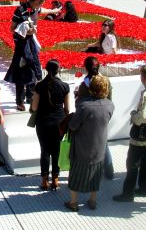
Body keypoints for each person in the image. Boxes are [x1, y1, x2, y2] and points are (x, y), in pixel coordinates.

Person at [113, 65, 146, 202]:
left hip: (142, 134)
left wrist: (133, 115)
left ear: (144, 77)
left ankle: (128, 193)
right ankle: (145, 188)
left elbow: (144, 116)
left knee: (132, 163)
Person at [64, 75, 114, 211]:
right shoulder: (110, 105)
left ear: (91, 89)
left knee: (76, 173)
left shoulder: (84, 106)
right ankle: (92, 200)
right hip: (99, 145)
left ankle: (73, 202)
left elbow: (73, 126)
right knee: (95, 173)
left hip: (82, 146)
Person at [4, 0, 59, 111]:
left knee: (33, 68)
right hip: (22, 44)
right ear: (37, 0)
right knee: (21, 71)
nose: (43, 5)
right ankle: (19, 101)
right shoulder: (20, 10)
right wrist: (26, 30)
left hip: (31, 42)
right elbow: (12, 28)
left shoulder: (35, 8)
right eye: (42, 2)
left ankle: (30, 96)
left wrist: (54, 10)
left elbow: (42, 10)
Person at [30, 59, 70, 191]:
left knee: (45, 151)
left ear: (46, 69)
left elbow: (34, 107)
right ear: (59, 70)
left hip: (43, 122)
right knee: (57, 150)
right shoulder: (64, 86)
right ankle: (56, 179)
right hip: (59, 122)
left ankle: (44, 181)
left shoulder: (39, 86)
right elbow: (67, 109)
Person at [75, 56, 114, 180]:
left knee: (88, 147)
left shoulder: (84, 85)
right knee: (104, 142)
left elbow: (79, 105)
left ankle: (88, 175)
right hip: (103, 115)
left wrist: (77, 96)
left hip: (88, 119)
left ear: (86, 68)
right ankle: (109, 172)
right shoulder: (106, 81)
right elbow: (110, 99)